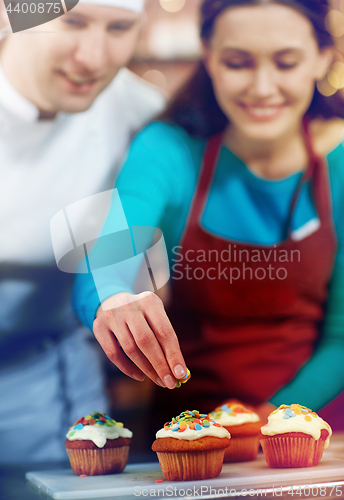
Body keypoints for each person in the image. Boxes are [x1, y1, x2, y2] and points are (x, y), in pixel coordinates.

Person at [74, 0, 344, 431]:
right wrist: (113, 298)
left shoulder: (339, 165)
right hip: (188, 430)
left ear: (323, 59)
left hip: (314, 434)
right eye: (238, 63)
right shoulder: (169, 150)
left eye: (286, 62)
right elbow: (108, 250)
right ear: (209, 56)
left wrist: (271, 419)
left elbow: (341, 338)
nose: (262, 87)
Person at [0, 0, 165, 463]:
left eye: (119, 27)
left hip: (47, 391)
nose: (93, 57)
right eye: (72, 21)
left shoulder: (140, 113)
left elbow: (114, 248)